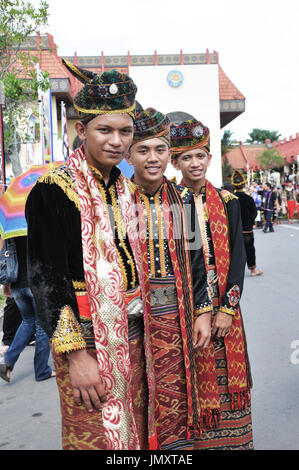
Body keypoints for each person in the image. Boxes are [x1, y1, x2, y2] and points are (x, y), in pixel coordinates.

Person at [25, 63, 162, 450]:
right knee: (95, 435)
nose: (117, 141)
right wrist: (76, 357)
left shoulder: (125, 188)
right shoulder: (52, 190)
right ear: (80, 131)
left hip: (135, 336)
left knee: (134, 431)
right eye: (105, 130)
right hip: (86, 339)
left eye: (125, 131)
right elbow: (46, 280)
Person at [125, 108, 213, 449]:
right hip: (131, 320)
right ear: (130, 154)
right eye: (143, 150)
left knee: (175, 394)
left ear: (168, 155)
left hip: (177, 316)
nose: (152, 158)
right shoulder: (117, 201)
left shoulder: (183, 201)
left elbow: (195, 261)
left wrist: (203, 311)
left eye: (160, 150)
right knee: (135, 396)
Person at [170, 118, 253, 450]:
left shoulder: (228, 202)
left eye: (200, 156)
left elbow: (237, 257)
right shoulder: (169, 203)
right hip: (184, 308)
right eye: (187, 157)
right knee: (188, 379)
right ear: (176, 162)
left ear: (209, 159)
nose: (195, 163)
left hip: (224, 307)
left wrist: (228, 309)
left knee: (227, 383)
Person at [0, 236, 54, 382]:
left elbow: (4, 257)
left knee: (27, 322)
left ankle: (8, 362)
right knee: (42, 325)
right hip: (35, 284)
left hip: (17, 285)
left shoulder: (9, 230)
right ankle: (42, 370)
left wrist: (6, 284)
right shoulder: (34, 225)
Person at [231, 170, 263, 277]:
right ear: (244, 185)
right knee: (249, 249)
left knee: (235, 251)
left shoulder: (230, 199)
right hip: (247, 230)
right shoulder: (249, 199)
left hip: (234, 231)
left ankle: (234, 273)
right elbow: (253, 213)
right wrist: (249, 222)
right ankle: (253, 270)